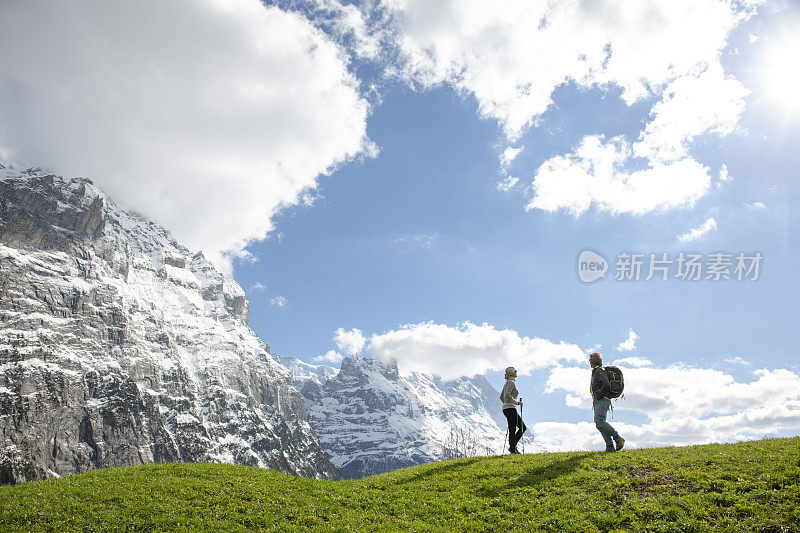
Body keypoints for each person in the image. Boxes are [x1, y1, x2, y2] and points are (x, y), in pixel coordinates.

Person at [589, 352, 625, 452]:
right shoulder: (597, 370)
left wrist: (598, 395)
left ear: (594, 360)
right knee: (599, 423)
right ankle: (609, 447)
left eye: (590, 359)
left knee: (599, 421)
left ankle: (618, 438)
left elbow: (606, 385)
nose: (589, 361)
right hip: (600, 400)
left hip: (602, 399)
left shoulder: (599, 371)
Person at [500, 366, 526, 454]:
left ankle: (512, 447)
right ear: (512, 373)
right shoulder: (511, 382)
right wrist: (516, 403)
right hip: (511, 408)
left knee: (514, 428)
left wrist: (506, 403)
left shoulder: (507, 382)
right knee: (518, 428)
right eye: (515, 371)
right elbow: (507, 394)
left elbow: (501, 397)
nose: (516, 372)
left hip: (507, 408)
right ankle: (512, 448)